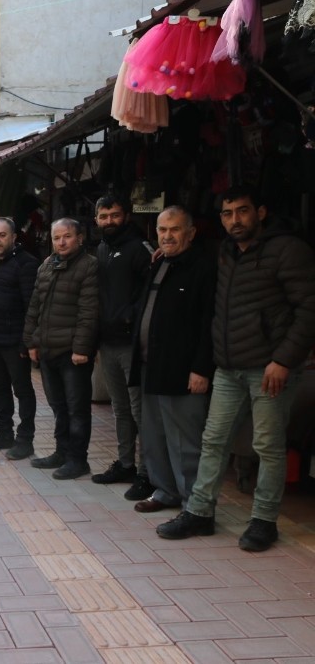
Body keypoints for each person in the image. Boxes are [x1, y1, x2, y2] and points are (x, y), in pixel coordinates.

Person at [157, 187, 315, 551]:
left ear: (261, 212)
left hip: (270, 368)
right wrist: (162, 256)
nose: (235, 221)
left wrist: (284, 360)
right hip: (229, 368)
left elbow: (309, 310)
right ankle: (199, 512)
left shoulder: (288, 251)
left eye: (242, 212)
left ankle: (263, 521)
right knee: (214, 441)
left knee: (267, 446)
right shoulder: (226, 253)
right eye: (227, 214)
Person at [130, 206, 215, 514]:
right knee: (154, 436)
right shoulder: (159, 263)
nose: (167, 236)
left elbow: (208, 324)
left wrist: (201, 368)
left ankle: (194, 504)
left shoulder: (203, 269)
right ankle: (165, 491)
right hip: (150, 367)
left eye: (174, 230)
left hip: (183, 371)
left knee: (186, 443)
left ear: (190, 233)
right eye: (162, 230)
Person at [23, 218, 99, 480]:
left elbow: (89, 313)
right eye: (57, 238)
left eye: (67, 236)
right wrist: (31, 342)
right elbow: (35, 306)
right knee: (58, 405)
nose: (61, 242)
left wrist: (81, 348)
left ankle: (78, 459)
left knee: (76, 408)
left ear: (79, 237)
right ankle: (61, 452)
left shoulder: (89, 266)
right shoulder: (47, 265)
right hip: (47, 350)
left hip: (72, 353)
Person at [90, 195, 154, 500]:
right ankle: (127, 464)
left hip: (132, 344)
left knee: (140, 411)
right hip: (108, 342)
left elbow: (151, 292)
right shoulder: (101, 249)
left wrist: (131, 317)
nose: (109, 221)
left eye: (114, 215)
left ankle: (148, 472)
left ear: (126, 216)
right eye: (103, 216)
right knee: (120, 410)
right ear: (97, 220)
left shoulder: (140, 250)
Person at [0, 218, 39, 459]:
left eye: (2, 235)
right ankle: (4, 432)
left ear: (14, 237)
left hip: (15, 341)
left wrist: (26, 342)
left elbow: (31, 306)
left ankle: (25, 439)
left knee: (22, 390)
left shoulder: (27, 263)